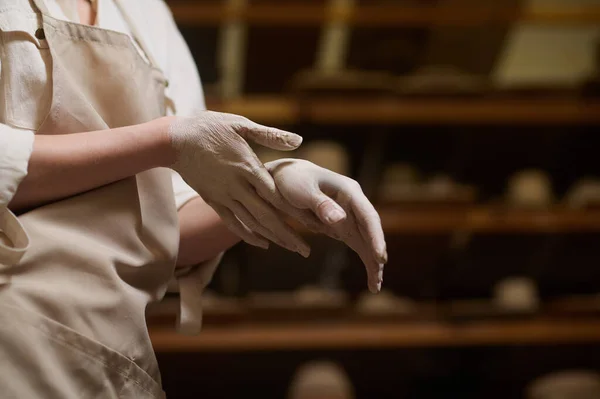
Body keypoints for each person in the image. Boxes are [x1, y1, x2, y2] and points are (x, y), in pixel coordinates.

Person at [0, 0, 387, 397]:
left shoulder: (146, 14)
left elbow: (168, 224)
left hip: (105, 351)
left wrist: (271, 185)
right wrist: (164, 140)